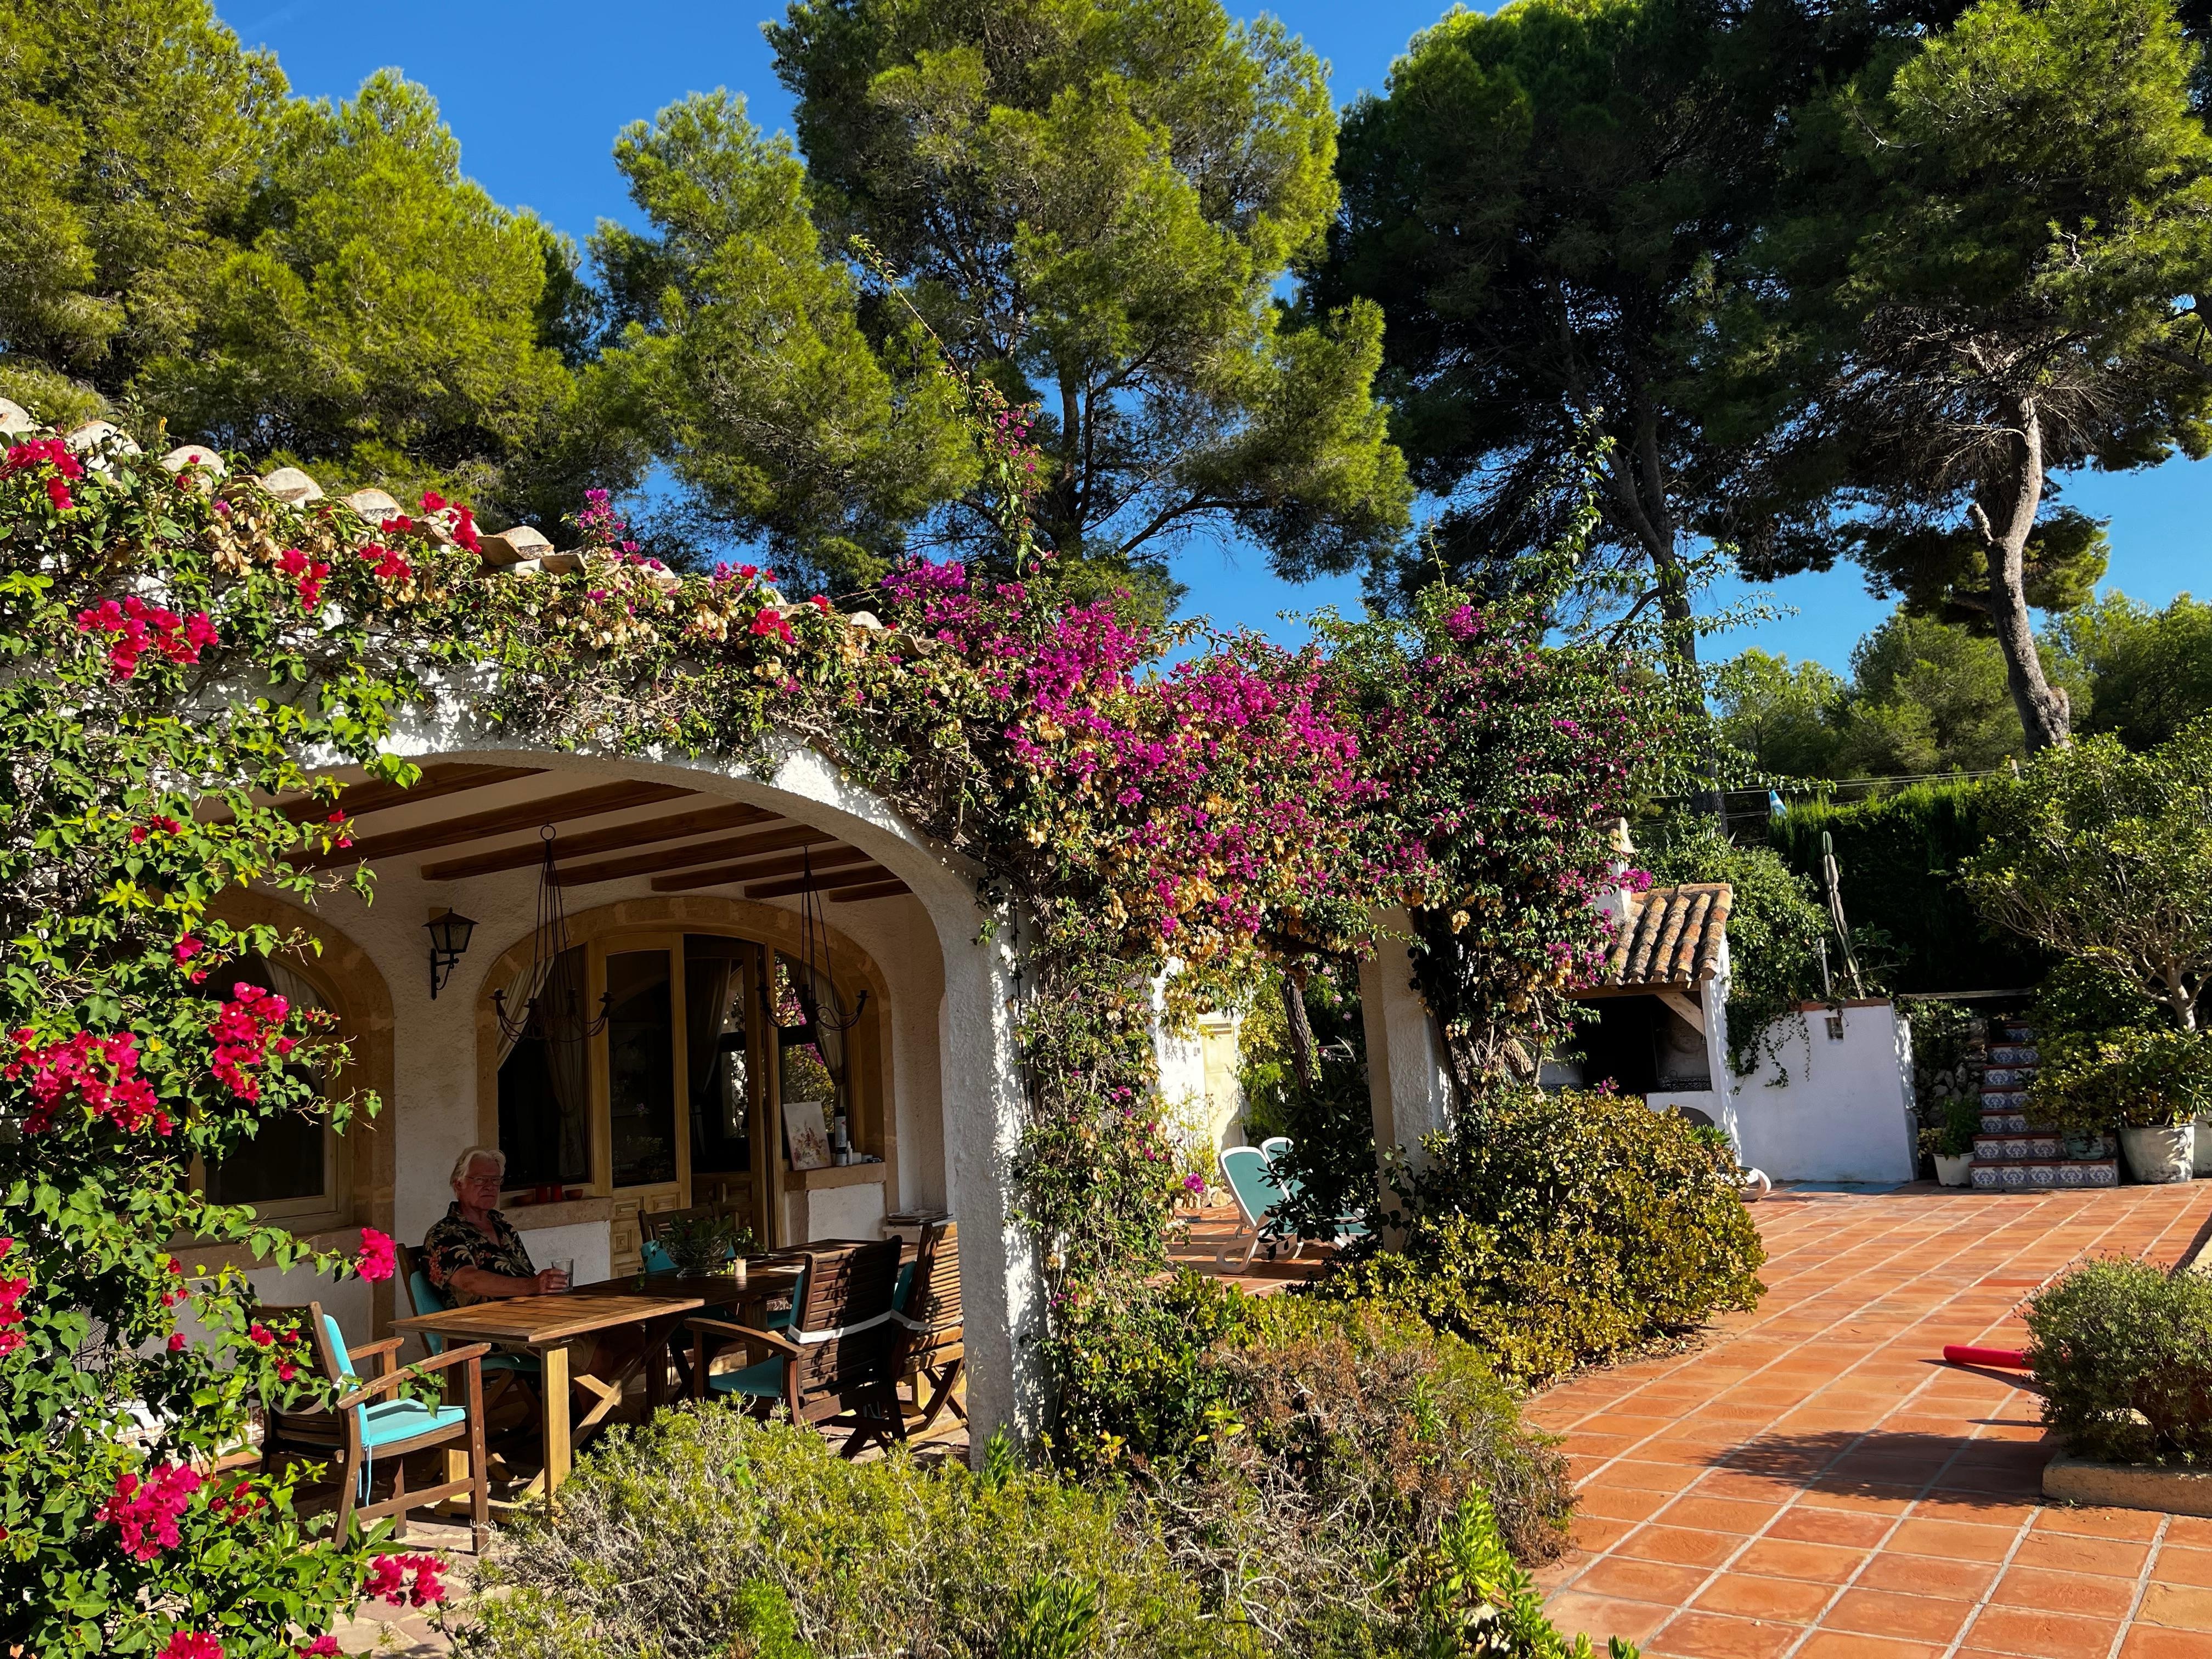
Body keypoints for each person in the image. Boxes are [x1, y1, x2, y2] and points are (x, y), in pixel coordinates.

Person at [422, 1147, 569, 1304]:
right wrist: (531, 1286)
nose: (490, 1186)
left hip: (530, 1310)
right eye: (480, 1180)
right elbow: (469, 1281)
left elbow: (527, 1275)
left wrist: (546, 1285)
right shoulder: (444, 1233)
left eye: (495, 1180)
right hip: (484, 1318)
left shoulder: (504, 1228)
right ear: (459, 1185)